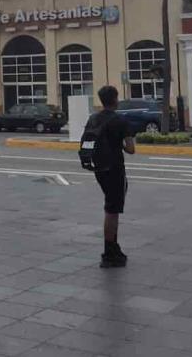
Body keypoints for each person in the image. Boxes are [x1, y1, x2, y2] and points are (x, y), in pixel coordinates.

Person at [84, 85, 135, 268]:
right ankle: (109, 251)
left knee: (110, 207)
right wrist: (119, 144)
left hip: (99, 169)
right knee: (112, 211)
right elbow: (131, 149)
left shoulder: (93, 118)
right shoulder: (121, 121)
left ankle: (112, 247)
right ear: (115, 99)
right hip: (115, 169)